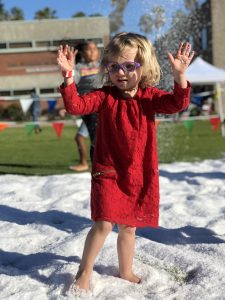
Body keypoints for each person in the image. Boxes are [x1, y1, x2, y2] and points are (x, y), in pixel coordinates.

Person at [57, 32, 194, 291]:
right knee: (104, 223)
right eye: (114, 66)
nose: (121, 73)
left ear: (144, 66)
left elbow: (177, 103)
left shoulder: (149, 97)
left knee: (129, 227)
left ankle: (126, 270)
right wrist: (68, 77)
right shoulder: (104, 96)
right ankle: (84, 271)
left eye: (129, 66)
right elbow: (75, 106)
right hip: (107, 171)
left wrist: (180, 77)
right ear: (107, 68)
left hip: (136, 173)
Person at [69, 40, 101, 172]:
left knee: (102, 138)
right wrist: (69, 69)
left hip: (104, 107)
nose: (93, 51)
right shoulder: (79, 68)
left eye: (95, 48)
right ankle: (91, 165)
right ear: (82, 53)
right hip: (89, 109)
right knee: (94, 139)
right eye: (89, 49)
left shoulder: (104, 65)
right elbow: (70, 82)